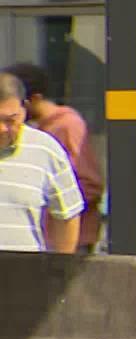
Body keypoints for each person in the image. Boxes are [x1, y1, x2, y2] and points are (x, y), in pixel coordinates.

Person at [4, 63, 103, 252]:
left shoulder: (67, 126)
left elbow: (90, 184)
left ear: (30, 101)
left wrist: (46, 202)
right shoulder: (34, 131)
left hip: (73, 239)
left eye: (10, 118)